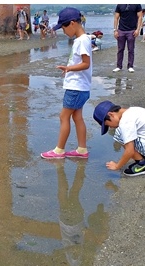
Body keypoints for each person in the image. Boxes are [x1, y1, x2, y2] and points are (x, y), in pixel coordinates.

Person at [40, 8, 92, 160]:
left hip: (76, 87)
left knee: (64, 117)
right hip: (81, 86)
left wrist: (68, 68)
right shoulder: (84, 39)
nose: (63, 31)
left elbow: (85, 64)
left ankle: (59, 150)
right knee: (77, 117)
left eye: (63, 27)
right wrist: (70, 69)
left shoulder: (82, 40)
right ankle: (82, 150)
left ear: (72, 23)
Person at [92, 100, 145, 176]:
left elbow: (130, 151)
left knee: (119, 133)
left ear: (111, 114)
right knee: (130, 134)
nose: (111, 127)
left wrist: (117, 166)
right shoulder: (133, 110)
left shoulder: (125, 122)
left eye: (108, 125)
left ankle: (142, 164)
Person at [113, 4, 143, 72]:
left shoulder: (137, 4)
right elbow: (116, 18)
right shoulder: (120, 5)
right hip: (121, 30)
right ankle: (119, 66)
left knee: (131, 49)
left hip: (132, 30)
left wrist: (138, 29)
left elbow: (140, 17)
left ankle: (130, 66)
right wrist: (115, 30)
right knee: (120, 49)